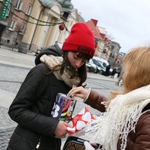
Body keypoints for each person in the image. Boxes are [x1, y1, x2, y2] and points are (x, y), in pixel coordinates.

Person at [6, 22, 96, 150]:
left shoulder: (69, 78)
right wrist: (53, 126)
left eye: (83, 61)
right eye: (76, 57)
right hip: (27, 145)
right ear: (66, 50)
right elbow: (16, 110)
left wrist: (66, 122)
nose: (78, 64)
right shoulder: (41, 71)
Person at [68, 46, 150, 150]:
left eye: (126, 71)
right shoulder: (137, 101)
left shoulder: (147, 117)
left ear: (138, 76)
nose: (123, 75)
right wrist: (88, 95)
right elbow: (116, 108)